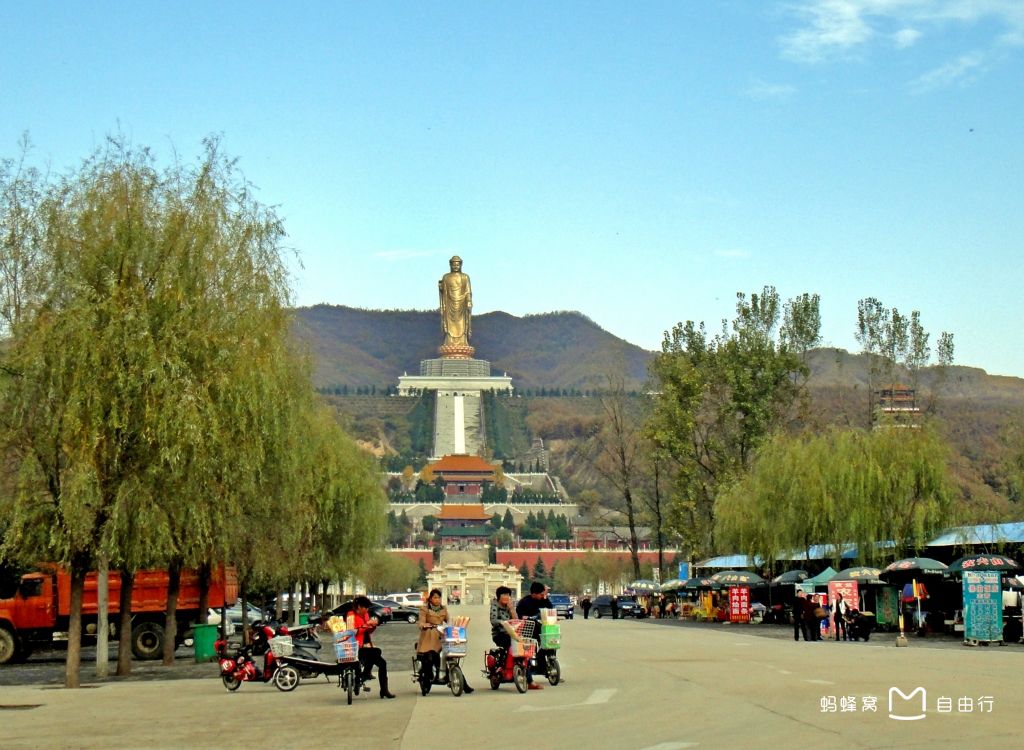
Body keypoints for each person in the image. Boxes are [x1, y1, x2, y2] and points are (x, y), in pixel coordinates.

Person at [417, 588, 474, 693]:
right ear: (430, 599)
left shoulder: (443, 609)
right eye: (435, 597)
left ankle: (463, 684)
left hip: (441, 634)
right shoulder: (424, 609)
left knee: (450, 656)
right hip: (429, 636)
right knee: (430, 657)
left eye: (439, 597)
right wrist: (424, 625)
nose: (437, 600)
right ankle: (428, 678)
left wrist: (454, 626)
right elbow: (420, 622)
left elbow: (449, 621)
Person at [490, 586, 542, 691]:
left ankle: (530, 681)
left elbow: (516, 620)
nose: (506, 597)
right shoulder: (495, 606)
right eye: (504, 595)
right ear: (499, 596)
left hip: (513, 634)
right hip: (500, 634)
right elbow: (493, 620)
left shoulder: (510, 606)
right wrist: (503, 623)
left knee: (524, 649)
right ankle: (504, 669)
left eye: (508, 595)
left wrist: (511, 609)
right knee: (510, 645)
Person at [347, 596, 395, 698]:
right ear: (359, 607)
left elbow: (368, 631)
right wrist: (366, 625)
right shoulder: (351, 615)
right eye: (366, 607)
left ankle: (384, 689)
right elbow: (351, 632)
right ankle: (365, 674)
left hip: (367, 645)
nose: (367, 610)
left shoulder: (366, 615)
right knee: (376, 652)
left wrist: (373, 625)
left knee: (382, 662)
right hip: (355, 647)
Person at [438, 256, 472, 347]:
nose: (456, 266)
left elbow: (468, 291)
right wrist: (441, 289)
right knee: (449, 323)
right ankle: (449, 341)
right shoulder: (446, 277)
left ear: (460, 265)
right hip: (449, 303)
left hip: (462, 304)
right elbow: (444, 292)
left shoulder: (465, 277)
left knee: (462, 323)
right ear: (450, 265)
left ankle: (463, 341)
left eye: (457, 265)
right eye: (454, 265)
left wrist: (469, 301)